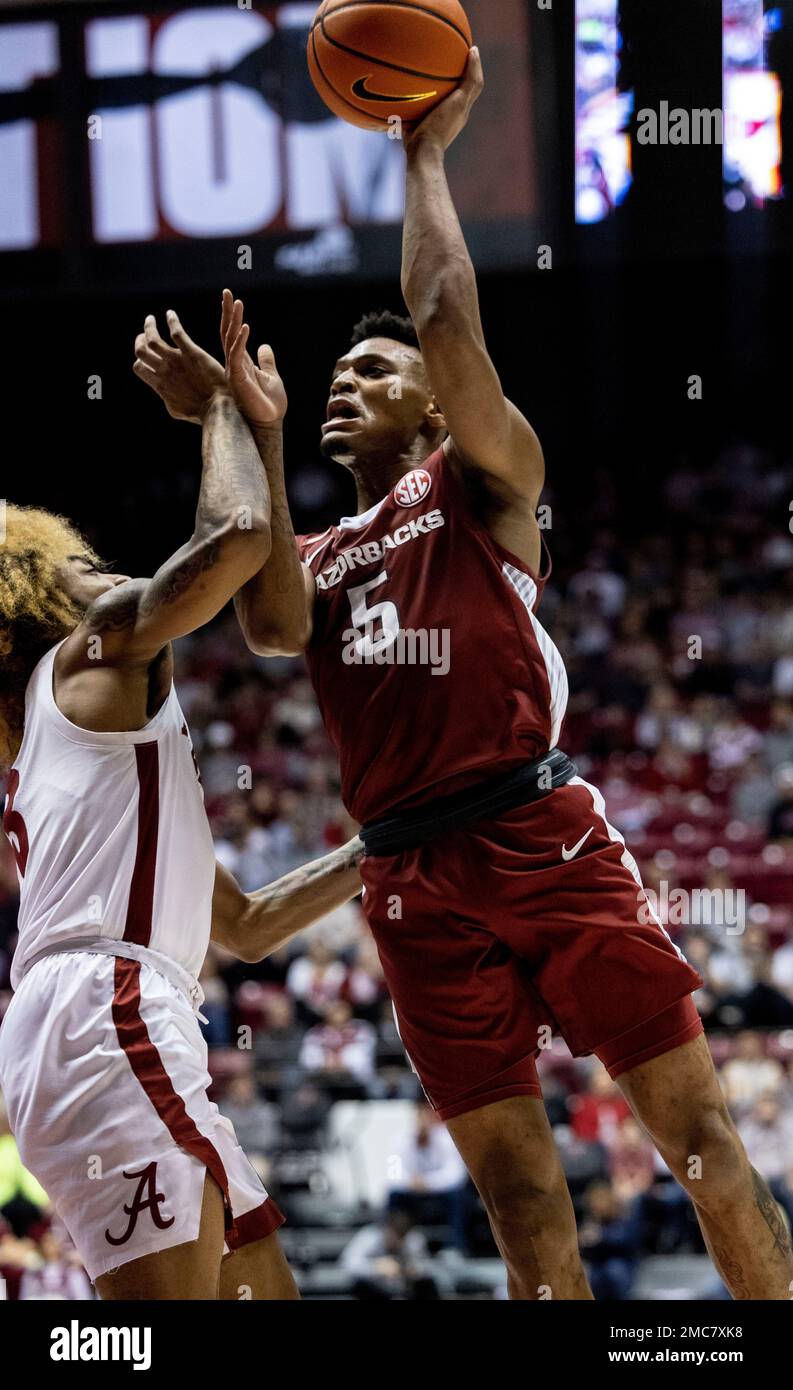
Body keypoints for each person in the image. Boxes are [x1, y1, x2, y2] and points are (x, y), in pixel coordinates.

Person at [144, 62, 793, 1298]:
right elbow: (271, 620)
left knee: (701, 1144)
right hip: (406, 871)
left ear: (440, 410)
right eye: (341, 378)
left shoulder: (481, 480)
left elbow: (444, 315)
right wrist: (253, 428)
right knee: (517, 1202)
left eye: (375, 376)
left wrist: (422, 152)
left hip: (532, 825)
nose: (351, 383)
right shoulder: (322, 554)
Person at [0, 313, 363, 1300]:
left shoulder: (91, 757)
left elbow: (243, 926)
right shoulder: (93, 654)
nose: (103, 568)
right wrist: (213, 408)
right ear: (37, 596)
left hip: (97, 1012)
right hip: (104, 1012)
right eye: (74, 563)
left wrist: (388, 843)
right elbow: (239, 538)